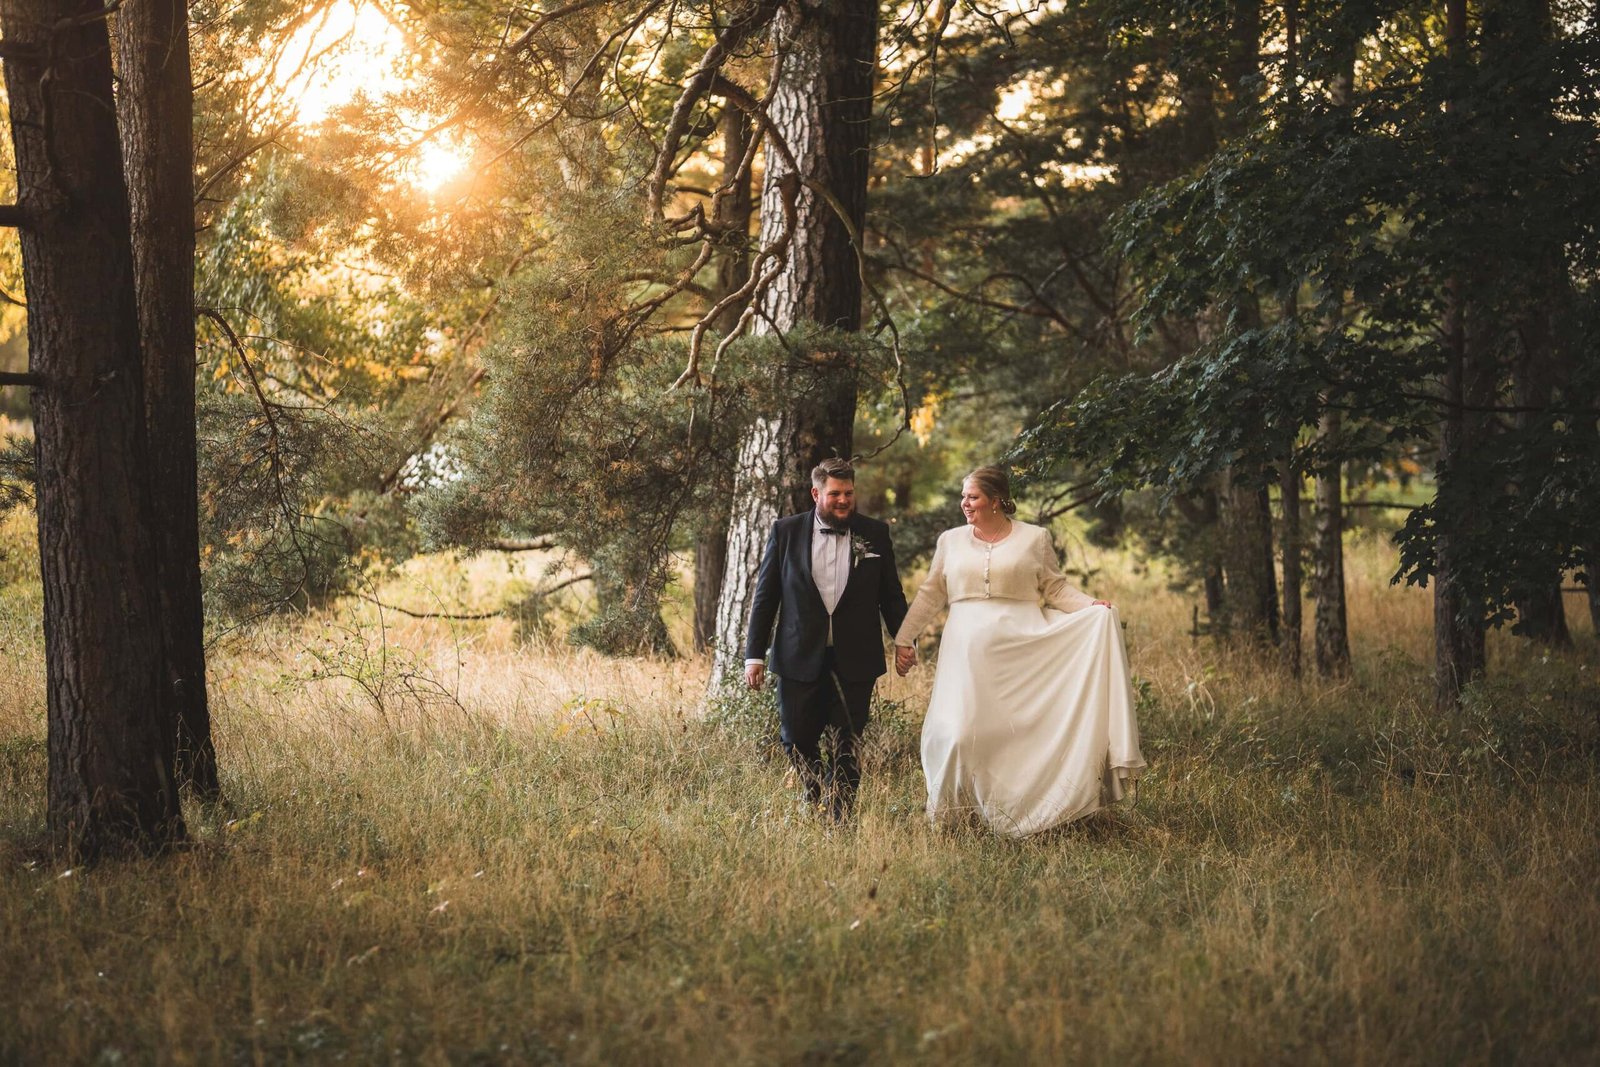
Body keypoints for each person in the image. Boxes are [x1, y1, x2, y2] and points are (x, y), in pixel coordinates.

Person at [894, 466, 1145, 836]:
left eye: (973, 497)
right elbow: (932, 593)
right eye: (963, 496)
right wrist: (905, 637)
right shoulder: (950, 541)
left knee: (1013, 734)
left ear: (996, 500)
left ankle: (1021, 811)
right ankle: (953, 816)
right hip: (965, 656)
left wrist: (1092, 607)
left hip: (1023, 650)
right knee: (958, 731)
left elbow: (1055, 589)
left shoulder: (1035, 538)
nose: (965, 503)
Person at [745, 458, 910, 818]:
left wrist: (904, 639)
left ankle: (840, 817)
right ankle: (814, 790)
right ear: (816, 493)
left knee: (847, 744)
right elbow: (766, 597)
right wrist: (753, 655)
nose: (844, 500)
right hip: (798, 653)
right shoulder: (786, 532)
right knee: (795, 737)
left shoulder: (875, 533)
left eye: (848, 493)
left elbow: (891, 595)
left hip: (855, 657)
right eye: (835, 494)